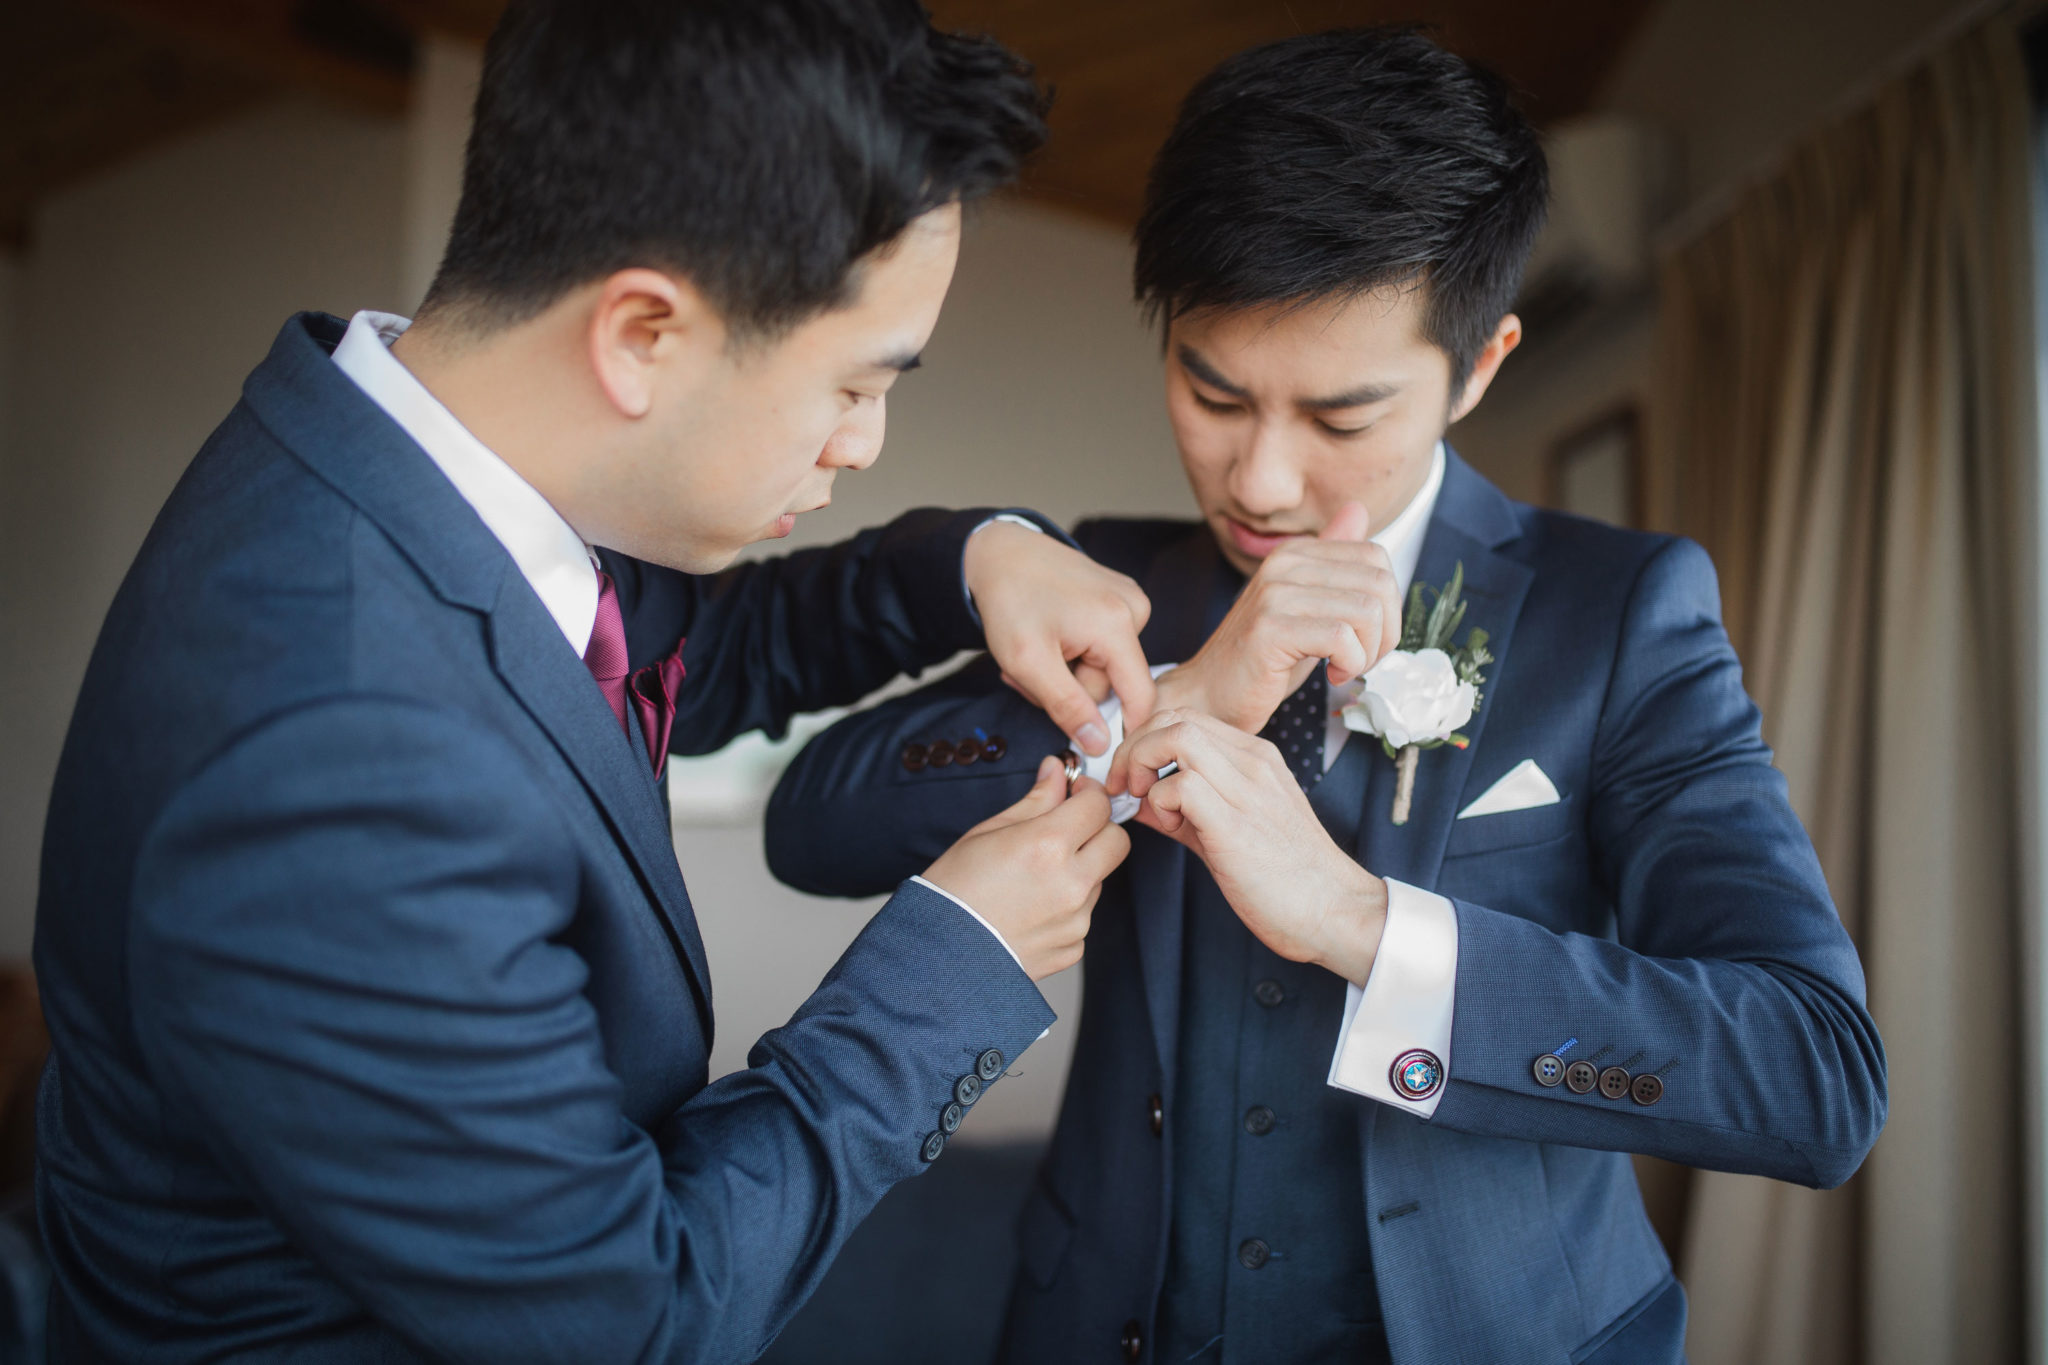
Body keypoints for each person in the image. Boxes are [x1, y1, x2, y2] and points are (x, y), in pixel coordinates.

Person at [31, 3, 1155, 1361]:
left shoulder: (399, 467)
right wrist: (954, 961)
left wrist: (971, 561)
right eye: (858, 384)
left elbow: (673, 656)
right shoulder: (334, 756)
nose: (867, 443)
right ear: (641, 335)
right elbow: (628, 1319)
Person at [768, 26, 1887, 1365]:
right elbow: (812, 822)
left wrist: (1364, 922)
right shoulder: (1115, 577)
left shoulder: (1623, 612)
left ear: (1480, 366)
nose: (1261, 481)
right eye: (1211, 389)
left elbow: (1815, 1075)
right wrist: (1186, 687)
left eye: (1340, 416)